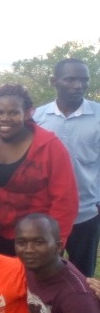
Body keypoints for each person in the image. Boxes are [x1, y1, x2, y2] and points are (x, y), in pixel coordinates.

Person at [0, 84, 78, 256]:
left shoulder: (49, 146)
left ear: (28, 113)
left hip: (37, 241)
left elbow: (65, 201)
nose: (4, 118)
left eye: (13, 112)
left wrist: (54, 245)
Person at [33, 59, 100, 277]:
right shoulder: (37, 118)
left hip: (86, 212)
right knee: (44, 272)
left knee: (83, 275)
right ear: (54, 81)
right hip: (45, 213)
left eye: (84, 80)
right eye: (70, 79)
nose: (78, 85)